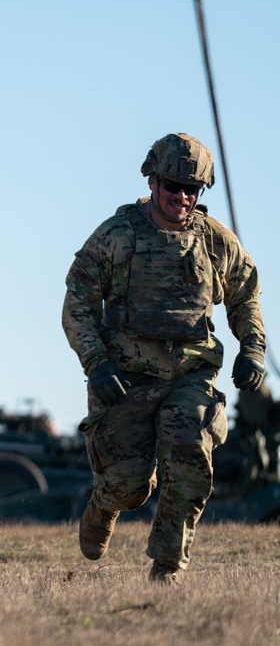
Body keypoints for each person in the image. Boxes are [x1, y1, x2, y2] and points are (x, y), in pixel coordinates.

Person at [62, 133, 266, 586]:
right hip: (125, 377)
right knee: (130, 485)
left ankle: (167, 569)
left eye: (192, 190)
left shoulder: (215, 241)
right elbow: (77, 303)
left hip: (189, 376)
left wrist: (253, 347)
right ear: (154, 182)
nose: (182, 197)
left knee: (191, 461)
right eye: (173, 186)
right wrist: (96, 363)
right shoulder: (118, 236)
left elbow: (245, 297)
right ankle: (103, 505)